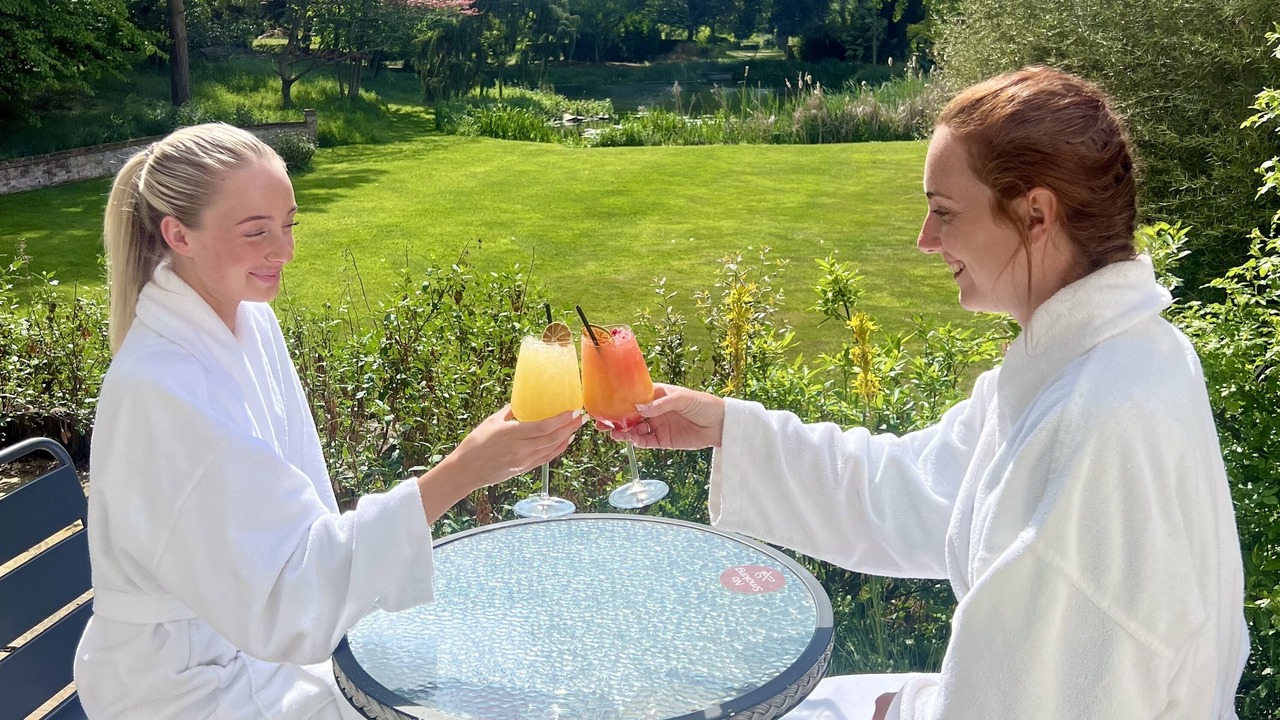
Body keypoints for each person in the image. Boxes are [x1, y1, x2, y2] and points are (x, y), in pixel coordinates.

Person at [604, 67, 1248, 719]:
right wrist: (726, 426)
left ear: (1035, 214)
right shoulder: (1111, 357)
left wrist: (894, 707)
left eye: (944, 212)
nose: (924, 240)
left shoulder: (1095, 425)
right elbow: (922, 484)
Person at [74, 123, 584, 718]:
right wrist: (463, 471)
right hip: (188, 691)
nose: (284, 251)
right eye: (256, 232)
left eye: (289, 225)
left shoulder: (247, 322)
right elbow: (288, 599)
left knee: (494, 666)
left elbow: (300, 528)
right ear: (178, 234)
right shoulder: (163, 391)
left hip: (263, 651)